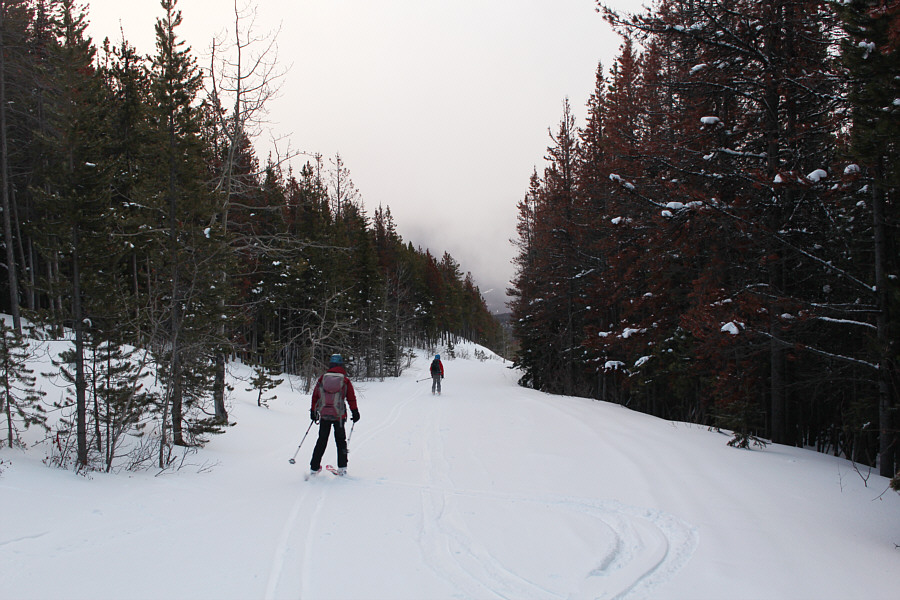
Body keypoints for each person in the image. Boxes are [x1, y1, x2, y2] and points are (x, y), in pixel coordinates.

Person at [309, 354, 359, 476]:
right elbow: (351, 398)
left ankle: (314, 468)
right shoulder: (345, 380)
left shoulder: (322, 379)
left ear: (330, 365)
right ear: (341, 365)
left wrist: (313, 411)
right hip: (339, 416)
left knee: (321, 440)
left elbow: (316, 396)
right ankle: (342, 468)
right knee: (341, 441)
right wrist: (355, 412)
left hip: (324, 415)